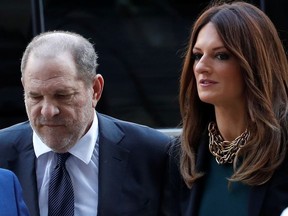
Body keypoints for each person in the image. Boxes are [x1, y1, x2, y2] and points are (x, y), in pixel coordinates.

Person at [0, 30, 172, 216]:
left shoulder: (153, 153)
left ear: (95, 90)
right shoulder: (2, 151)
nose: (48, 111)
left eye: (62, 95)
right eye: (35, 96)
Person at [166, 1, 288, 216]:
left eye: (221, 55)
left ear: (254, 64)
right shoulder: (183, 156)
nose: (201, 66)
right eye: (197, 55)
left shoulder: (282, 150)